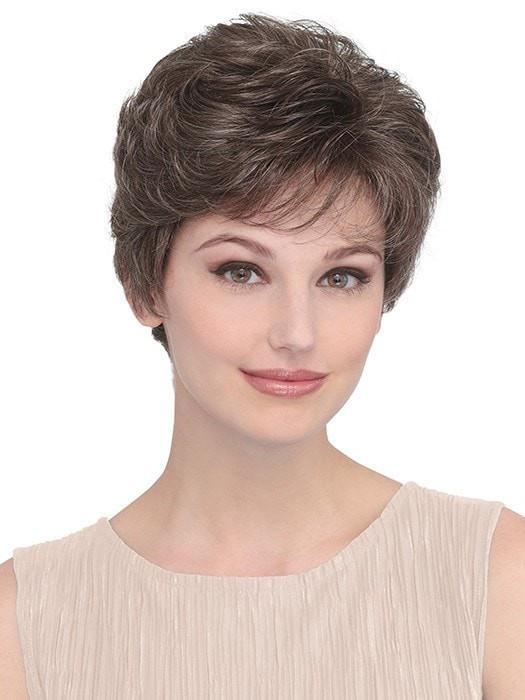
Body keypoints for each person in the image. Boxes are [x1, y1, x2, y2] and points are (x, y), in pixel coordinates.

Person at [2, 12, 524, 699]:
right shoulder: (27, 622)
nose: (297, 333)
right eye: (242, 271)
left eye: (342, 277)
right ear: (144, 285)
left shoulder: (493, 578)